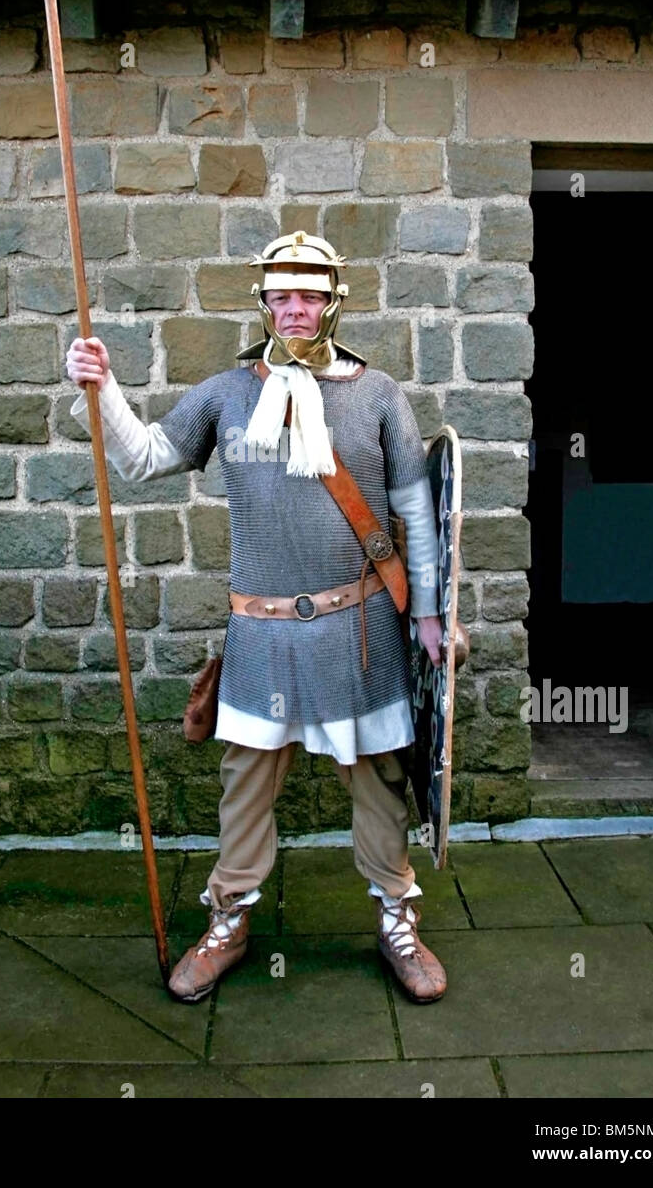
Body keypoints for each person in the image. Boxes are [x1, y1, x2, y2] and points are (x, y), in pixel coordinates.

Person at [66, 230, 447, 1005]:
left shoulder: (377, 397)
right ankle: (230, 919)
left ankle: (397, 919)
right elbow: (143, 458)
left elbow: (416, 508)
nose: (295, 309)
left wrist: (432, 615)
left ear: (334, 300)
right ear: (265, 302)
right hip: (263, 631)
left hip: (359, 627)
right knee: (243, 786)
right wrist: (102, 388)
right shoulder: (226, 393)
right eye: (282, 296)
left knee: (380, 782)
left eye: (309, 295)